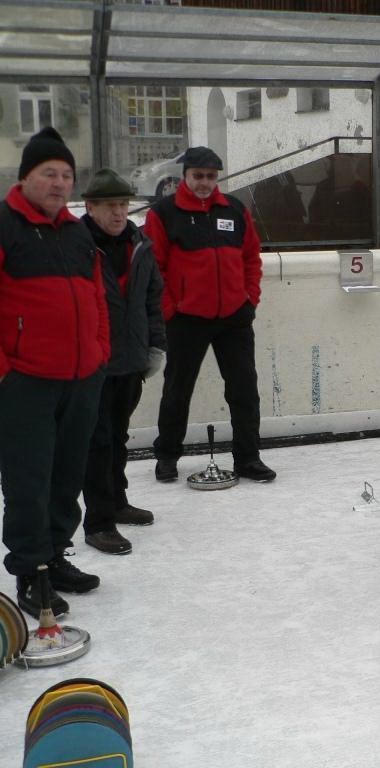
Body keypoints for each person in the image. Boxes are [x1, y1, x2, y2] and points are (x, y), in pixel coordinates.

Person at [0, 128, 108, 618]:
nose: (60, 183)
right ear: (26, 177)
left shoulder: (76, 229)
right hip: (26, 382)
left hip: (82, 377)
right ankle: (30, 573)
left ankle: (55, 556)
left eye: (66, 175)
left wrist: (100, 352)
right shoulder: (5, 225)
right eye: (49, 173)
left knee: (68, 475)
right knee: (29, 480)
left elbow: (97, 297)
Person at [145, 146, 276, 483]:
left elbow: (251, 257)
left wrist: (250, 299)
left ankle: (248, 458)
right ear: (184, 176)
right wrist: (170, 310)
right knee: (178, 389)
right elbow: (153, 267)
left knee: (244, 390)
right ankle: (167, 456)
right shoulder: (164, 213)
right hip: (186, 318)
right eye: (198, 176)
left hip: (234, 317)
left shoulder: (234, 210)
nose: (204, 183)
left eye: (210, 177)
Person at [80, 169, 166, 556]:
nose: (119, 213)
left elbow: (152, 299)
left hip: (130, 360)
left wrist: (155, 347)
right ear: (90, 207)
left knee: (117, 437)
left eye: (123, 205)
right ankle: (98, 522)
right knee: (95, 443)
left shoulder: (139, 243)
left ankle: (117, 500)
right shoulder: (76, 246)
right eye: (110, 206)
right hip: (91, 363)